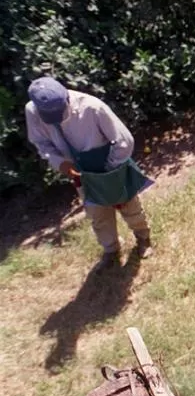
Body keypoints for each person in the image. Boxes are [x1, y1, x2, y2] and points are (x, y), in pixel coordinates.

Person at [26, 77, 154, 271]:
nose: (56, 119)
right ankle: (111, 250)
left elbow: (124, 141)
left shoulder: (92, 107)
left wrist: (111, 170)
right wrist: (60, 164)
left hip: (110, 162)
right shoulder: (33, 111)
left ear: (66, 98)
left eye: (59, 113)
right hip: (80, 172)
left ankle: (143, 238)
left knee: (128, 204)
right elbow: (41, 143)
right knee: (97, 214)